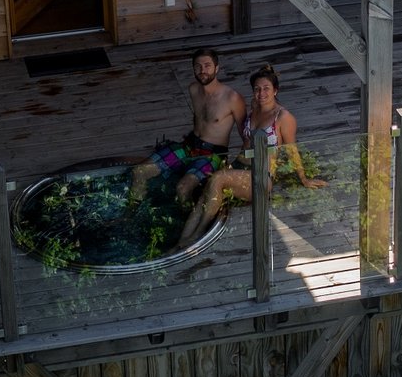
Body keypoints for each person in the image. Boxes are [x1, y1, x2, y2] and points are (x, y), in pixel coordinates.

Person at [178, 63, 326, 247]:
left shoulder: (283, 117)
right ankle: (181, 241)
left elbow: (291, 149)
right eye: (257, 89)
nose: (261, 93)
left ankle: (196, 237)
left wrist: (303, 178)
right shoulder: (254, 110)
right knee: (205, 193)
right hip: (239, 167)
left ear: (275, 91)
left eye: (266, 89)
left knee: (217, 179)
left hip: (260, 176)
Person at [130, 47, 245, 204]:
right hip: (188, 147)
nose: (202, 70)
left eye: (207, 65)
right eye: (198, 66)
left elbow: (245, 133)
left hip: (213, 155)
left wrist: (239, 164)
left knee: (183, 188)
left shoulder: (232, 98)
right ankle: (133, 212)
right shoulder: (193, 89)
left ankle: (183, 219)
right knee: (139, 171)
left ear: (217, 68)